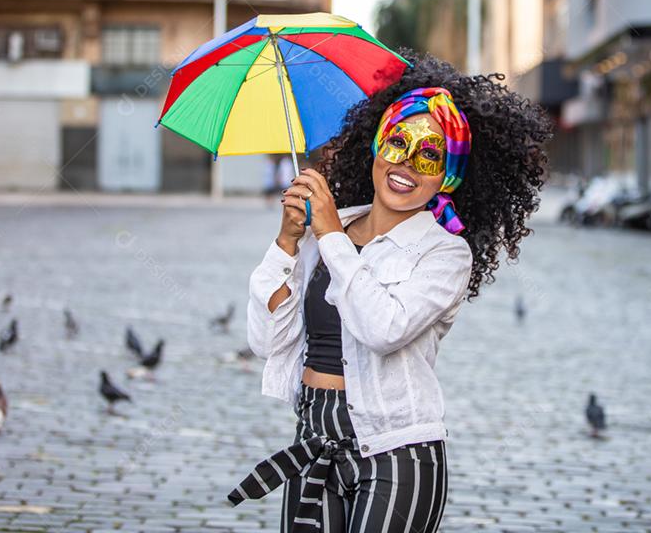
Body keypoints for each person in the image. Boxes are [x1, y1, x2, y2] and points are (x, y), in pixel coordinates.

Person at [229, 52, 553, 532]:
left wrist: (333, 235)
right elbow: (267, 343)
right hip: (313, 440)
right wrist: (287, 242)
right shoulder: (324, 236)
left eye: (430, 155)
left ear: (448, 176)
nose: (407, 164)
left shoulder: (445, 254)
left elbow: (383, 328)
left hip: (397, 455)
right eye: (398, 142)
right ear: (378, 145)